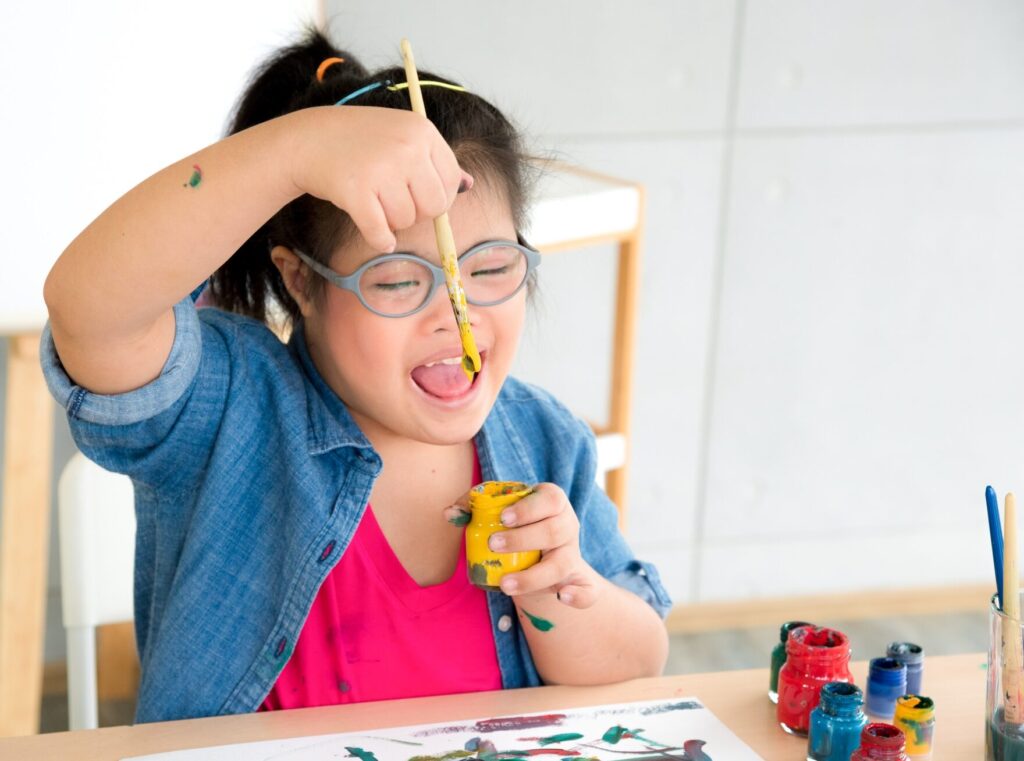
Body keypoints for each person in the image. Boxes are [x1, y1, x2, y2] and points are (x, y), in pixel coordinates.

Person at [41, 27, 671, 723]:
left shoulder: (545, 437)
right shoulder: (231, 411)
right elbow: (90, 311)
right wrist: (294, 155)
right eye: (399, 280)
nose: (457, 318)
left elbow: (641, 661)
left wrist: (562, 588)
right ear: (301, 282)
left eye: (490, 268)